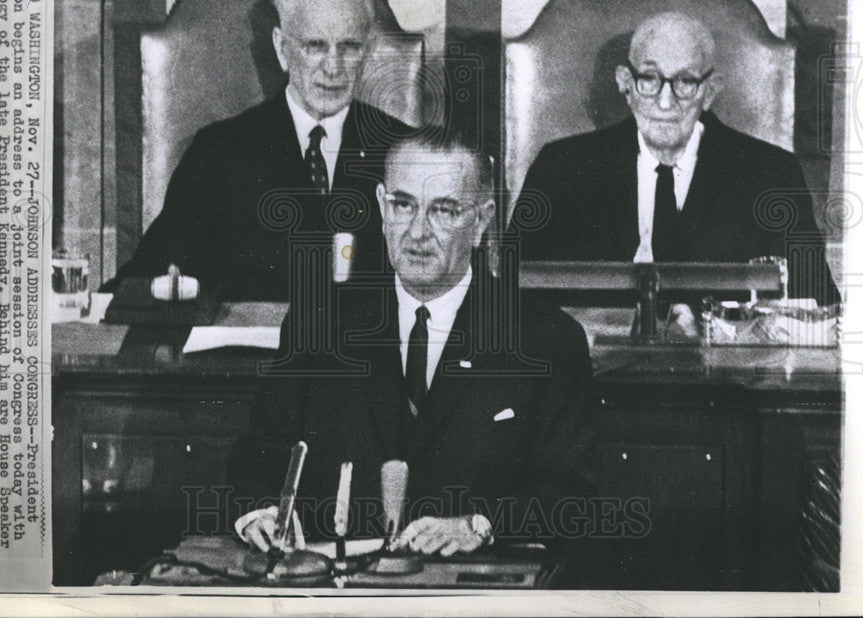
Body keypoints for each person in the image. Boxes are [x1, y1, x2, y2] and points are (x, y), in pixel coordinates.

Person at [230, 133, 596, 554]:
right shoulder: (320, 322)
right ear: (383, 207)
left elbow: (570, 500)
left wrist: (479, 525)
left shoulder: (545, 340)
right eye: (403, 205)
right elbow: (261, 453)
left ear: (481, 222)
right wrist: (260, 512)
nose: (418, 232)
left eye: (443, 210)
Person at [104, 0, 413, 301]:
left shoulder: (408, 151)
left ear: (366, 54)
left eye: (349, 47)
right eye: (316, 46)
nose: (333, 67)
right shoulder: (220, 152)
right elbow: (150, 272)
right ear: (281, 49)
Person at [512, 11, 839, 305]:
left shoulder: (772, 175)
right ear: (625, 83)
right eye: (650, 79)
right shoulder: (561, 169)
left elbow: (816, 305)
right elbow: (512, 298)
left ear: (709, 91)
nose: (665, 103)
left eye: (685, 81)